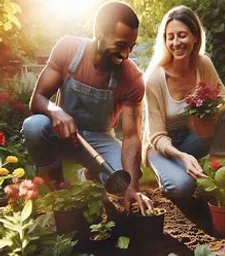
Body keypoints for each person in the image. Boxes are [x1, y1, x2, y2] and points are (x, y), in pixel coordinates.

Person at [22, 1, 152, 215]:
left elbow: (131, 137)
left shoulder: (132, 78)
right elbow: (37, 99)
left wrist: (132, 188)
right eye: (121, 45)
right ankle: (59, 193)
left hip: (100, 139)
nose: (126, 54)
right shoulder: (68, 50)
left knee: (126, 175)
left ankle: (91, 177)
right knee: (34, 126)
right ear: (100, 32)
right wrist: (55, 111)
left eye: (131, 46)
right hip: (61, 134)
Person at [144, 5, 225, 202]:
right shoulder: (154, 79)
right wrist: (182, 156)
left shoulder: (202, 64)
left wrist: (213, 110)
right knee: (182, 187)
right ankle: (169, 175)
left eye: (182, 35)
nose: (176, 42)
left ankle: (215, 170)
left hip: (192, 137)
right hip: (163, 147)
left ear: (195, 36)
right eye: (170, 37)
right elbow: (156, 136)